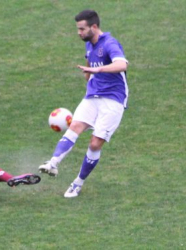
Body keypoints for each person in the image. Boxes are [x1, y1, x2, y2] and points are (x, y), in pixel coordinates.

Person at [38, 9, 128, 198]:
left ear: (94, 27)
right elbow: (88, 61)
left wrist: (98, 71)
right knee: (75, 126)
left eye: (82, 29)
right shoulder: (89, 44)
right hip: (93, 96)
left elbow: (122, 65)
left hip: (113, 100)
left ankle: (77, 183)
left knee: (95, 144)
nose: (79, 33)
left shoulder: (110, 43)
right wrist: (89, 77)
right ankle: (53, 163)